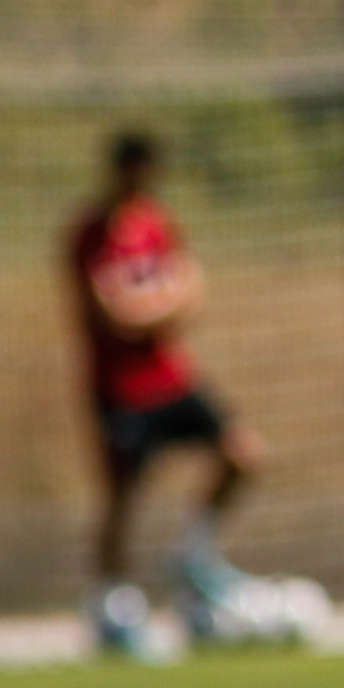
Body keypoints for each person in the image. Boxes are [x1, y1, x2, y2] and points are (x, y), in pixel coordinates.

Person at [65, 131, 264, 657]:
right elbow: (112, 314)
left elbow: (191, 292)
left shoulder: (157, 222)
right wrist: (160, 305)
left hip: (171, 375)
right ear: (116, 171)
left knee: (243, 454)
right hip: (119, 387)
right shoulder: (89, 231)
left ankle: (192, 557)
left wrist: (149, 306)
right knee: (122, 495)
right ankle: (111, 602)